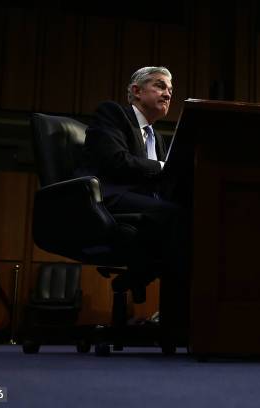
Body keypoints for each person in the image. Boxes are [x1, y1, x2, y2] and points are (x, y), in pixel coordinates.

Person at [81, 66, 189, 314]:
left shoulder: (157, 138)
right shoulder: (112, 114)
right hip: (107, 201)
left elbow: (162, 180)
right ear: (136, 91)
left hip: (144, 204)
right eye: (160, 86)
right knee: (177, 217)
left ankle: (143, 277)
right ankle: (172, 310)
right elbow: (116, 160)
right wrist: (164, 166)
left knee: (191, 212)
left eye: (171, 90)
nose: (168, 94)